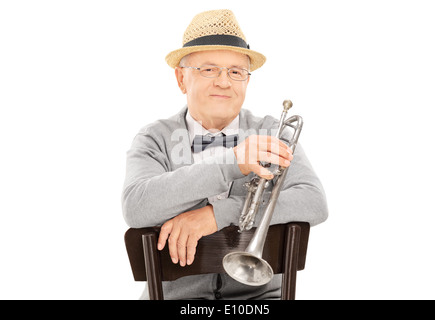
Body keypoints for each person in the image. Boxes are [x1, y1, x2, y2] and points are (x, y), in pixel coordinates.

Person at [122, 9, 328, 300]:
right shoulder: (154, 138)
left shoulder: (272, 131)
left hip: (260, 300)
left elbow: (313, 201)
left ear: (246, 80)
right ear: (181, 78)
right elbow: (136, 206)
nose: (223, 82)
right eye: (208, 69)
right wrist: (232, 163)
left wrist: (219, 214)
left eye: (236, 71)